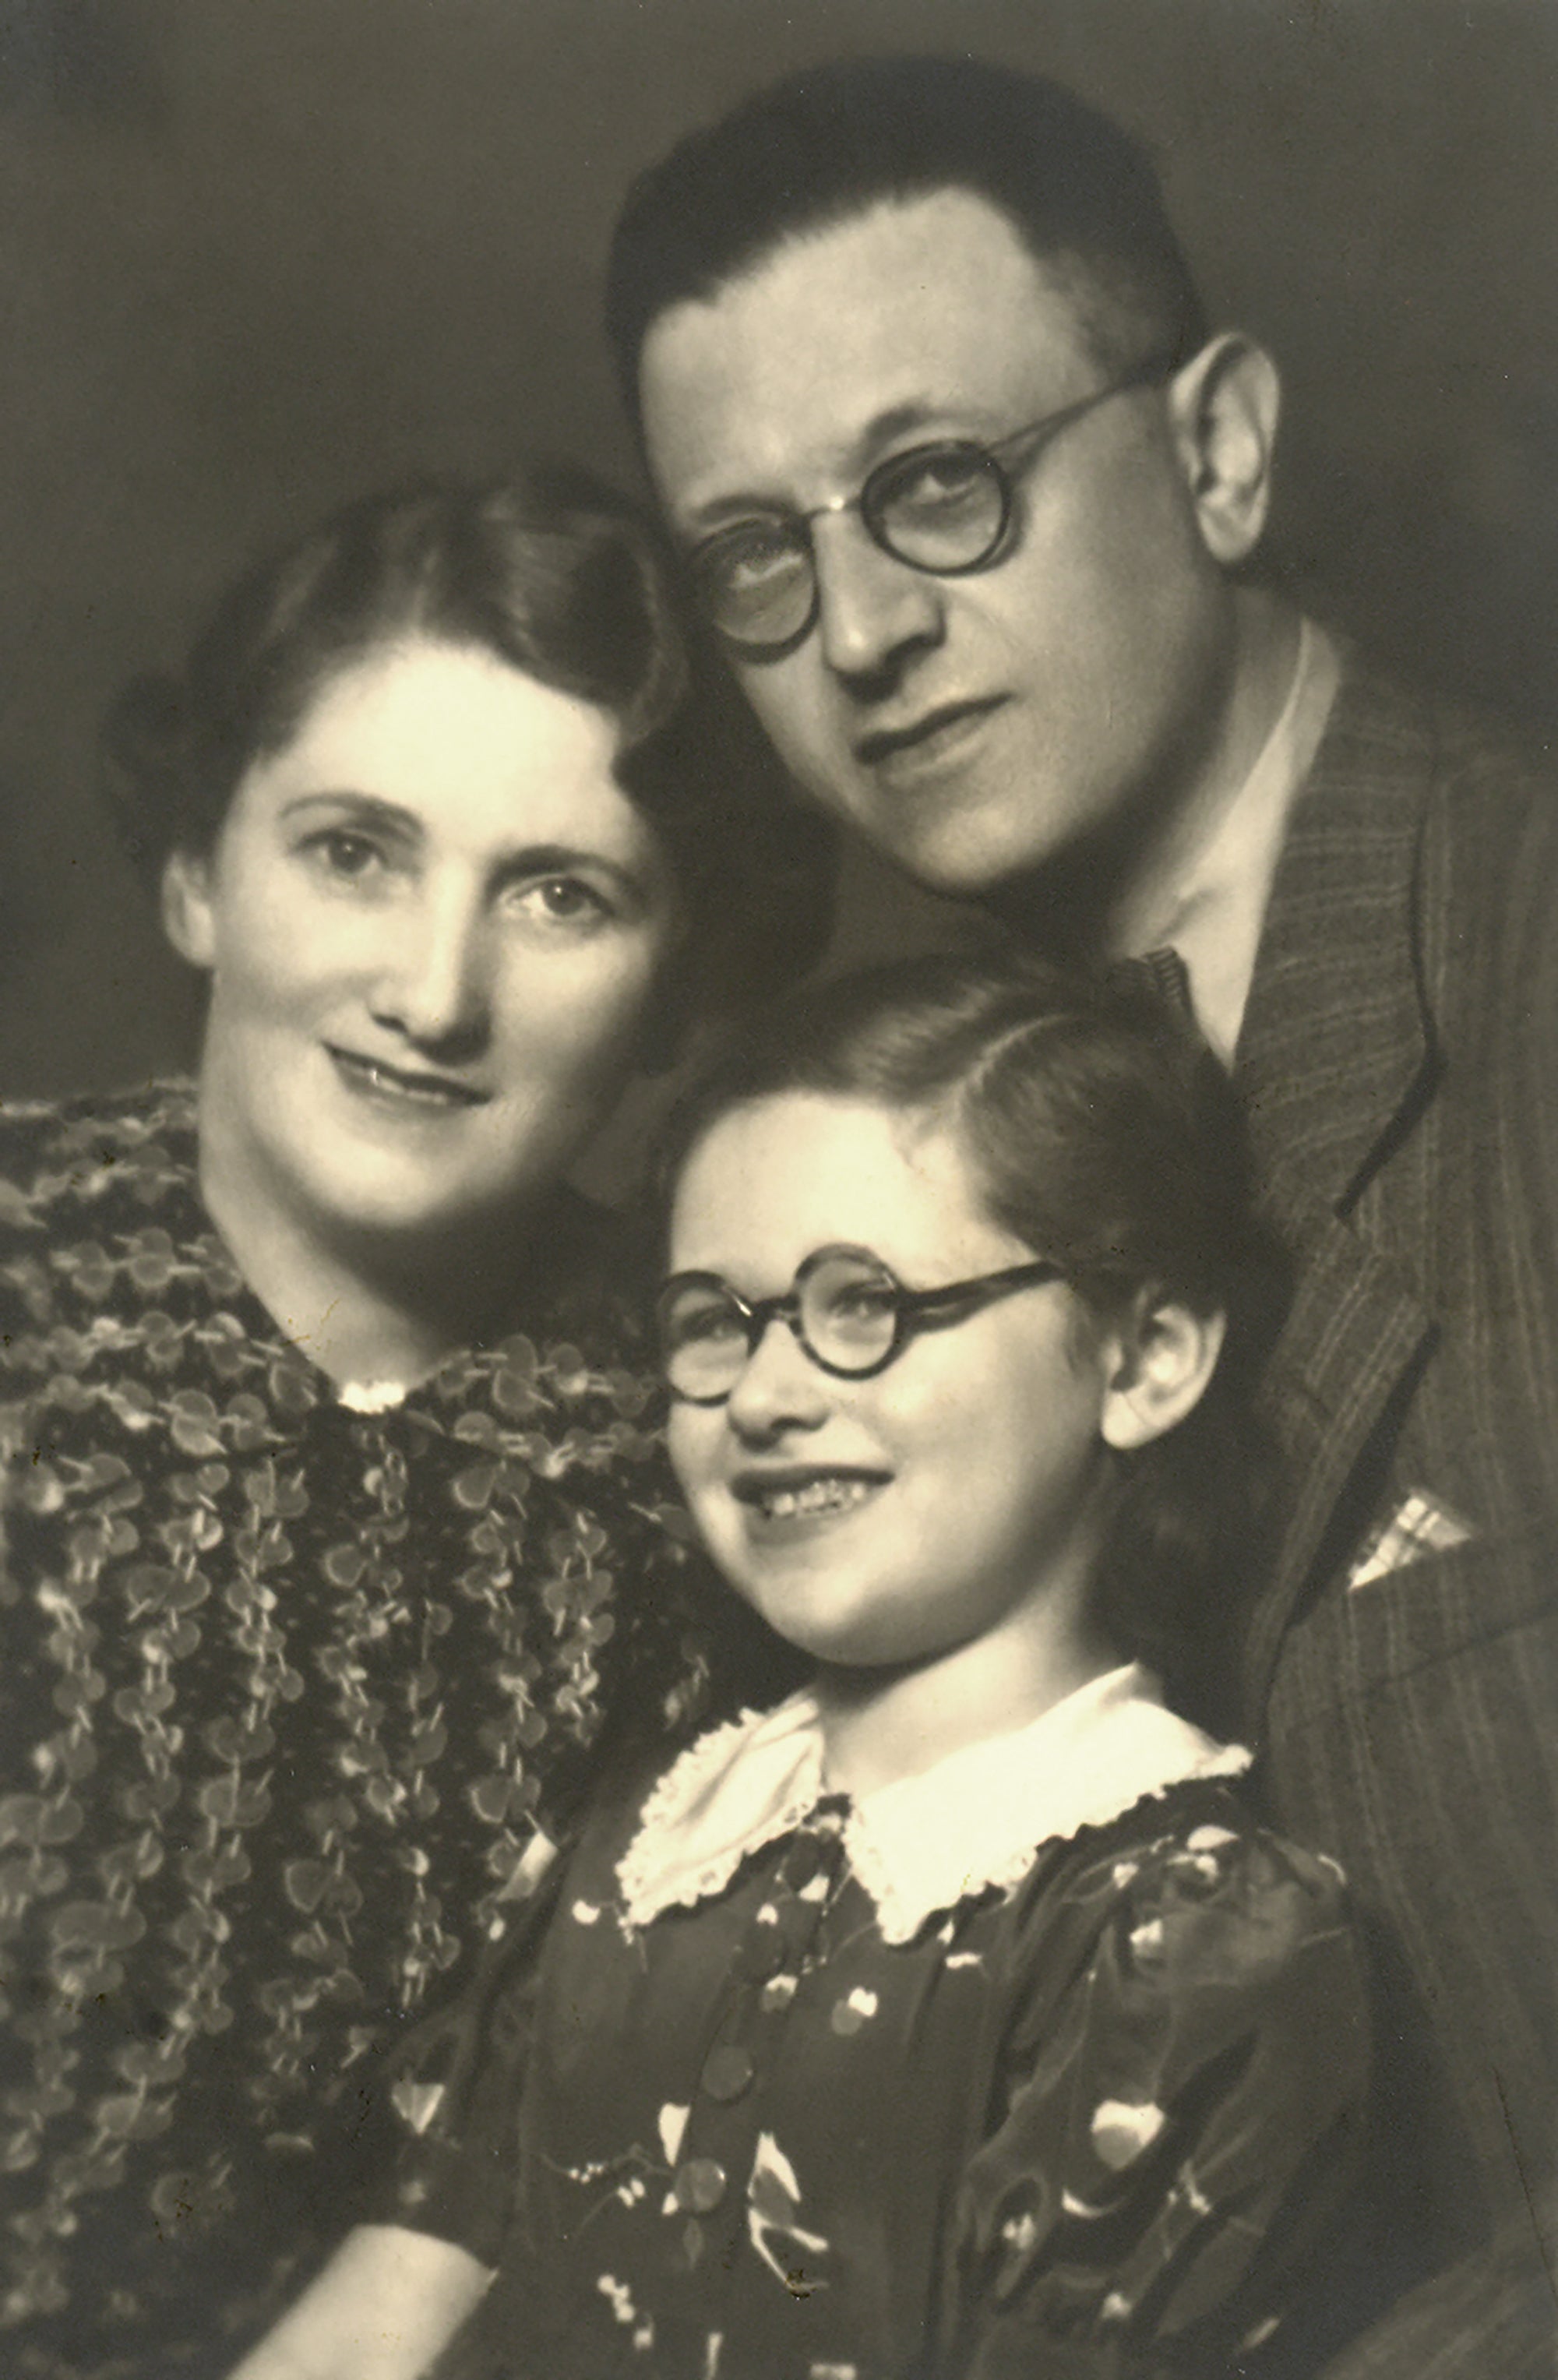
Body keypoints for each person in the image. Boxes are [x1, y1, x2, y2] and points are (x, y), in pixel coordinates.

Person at [603, 56, 1558, 2368]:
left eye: (936, 487)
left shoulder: (1519, 973)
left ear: (1218, 451)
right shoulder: (850, 1175)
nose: (855, 633)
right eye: (758, 554)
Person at [228, 950, 1371, 2380]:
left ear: (1142, 1360)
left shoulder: (1185, 1944)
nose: (765, 1396)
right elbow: (377, 2319)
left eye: (862, 1306)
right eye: (714, 1322)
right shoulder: (634, 1846)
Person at [0, 467, 830, 2378]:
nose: (433, 992)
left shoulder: (719, 1460)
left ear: (670, 994)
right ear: (200, 872)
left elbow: (513, 2155)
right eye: (354, 851)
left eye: (561, 896)